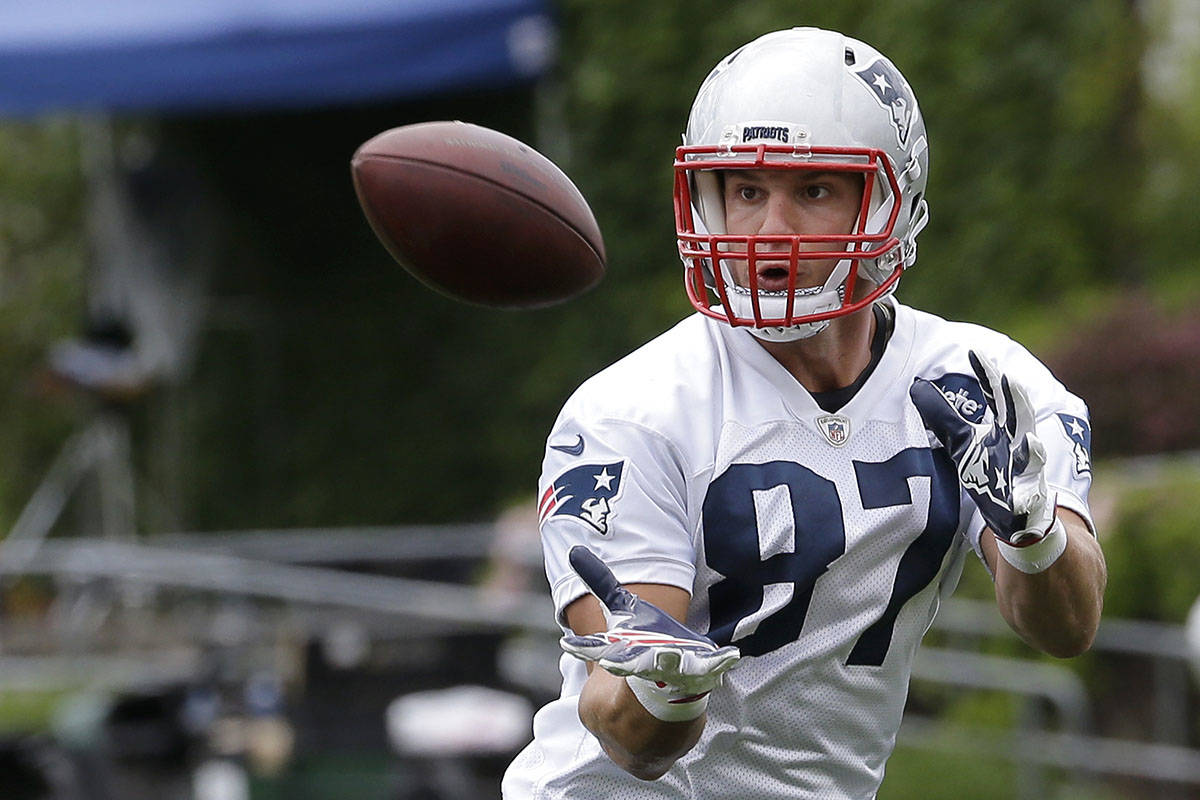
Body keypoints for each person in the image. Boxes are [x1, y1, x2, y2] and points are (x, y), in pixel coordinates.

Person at [501, 27, 1106, 799]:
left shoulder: (979, 379)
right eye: (748, 191)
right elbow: (631, 741)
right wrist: (664, 683)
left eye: (813, 190)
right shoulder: (635, 412)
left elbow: (1068, 627)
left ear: (891, 200)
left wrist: (1034, 537)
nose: (772, 231)